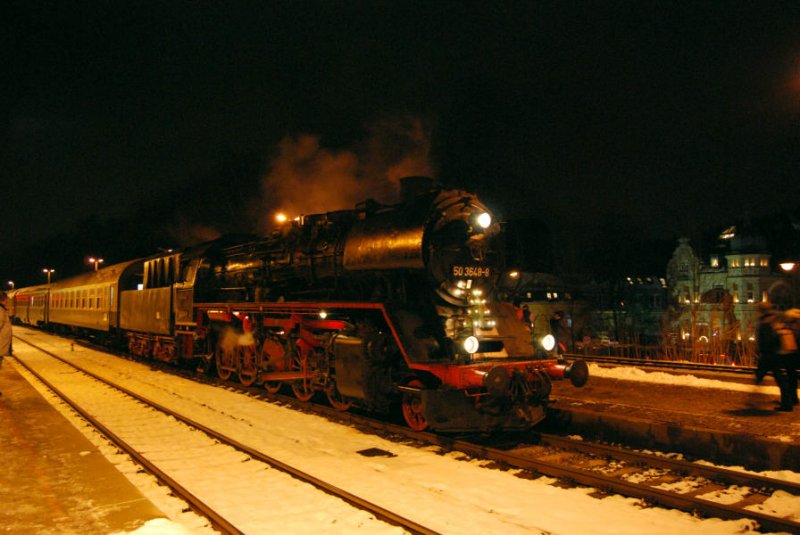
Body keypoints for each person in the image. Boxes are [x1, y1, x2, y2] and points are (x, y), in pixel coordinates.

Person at [755, 302, 794, 411]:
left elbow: (765, 339)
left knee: (763, 376)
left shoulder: (766, 321)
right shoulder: (776, 318)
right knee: (780, 378)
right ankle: (788, 401)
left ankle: (754, 399)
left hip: (769, 354)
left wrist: (761, 350)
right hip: (775, 353)